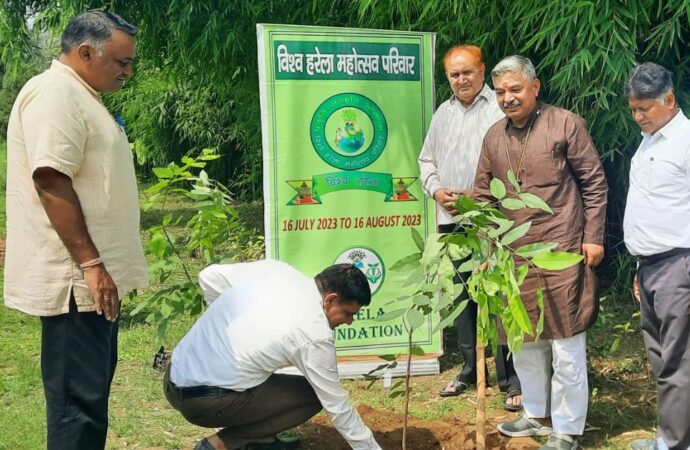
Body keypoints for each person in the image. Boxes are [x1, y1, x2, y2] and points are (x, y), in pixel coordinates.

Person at [3, 11, 147, 450]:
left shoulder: (82, 94)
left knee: (90, 397)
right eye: (121, 62)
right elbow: (51, 179)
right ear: (86, 52)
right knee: (76, 406)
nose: (128, 72)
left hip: (93, 284)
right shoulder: (55, 94)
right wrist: (91, 262)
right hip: (77, 283)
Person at [473, 55, 607, 450]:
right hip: (513, 254)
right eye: (500, 92)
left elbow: (594, 184)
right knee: (524, 339)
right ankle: (536, 414)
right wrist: (484, 246)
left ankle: (567, 428)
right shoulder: (494, 136)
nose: (507, 98)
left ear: (535, 86)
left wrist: (594, 236)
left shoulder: (566, 123)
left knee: (566, 343)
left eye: (515, 89)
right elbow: (483, 195)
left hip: (562, 247)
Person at [164, 260, 382, 450]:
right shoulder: (314, 334)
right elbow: (337, 406)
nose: (349, 321)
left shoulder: (277, 271)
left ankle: (262, 441)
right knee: (314, 396)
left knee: (267, 376)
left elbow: (208, 276)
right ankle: (220, 445)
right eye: (348, 313)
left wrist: (227, 330)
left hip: (173, 377)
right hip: (204, 403)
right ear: (331, 300)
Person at [418, 44, 522, 410]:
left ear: (482, 71)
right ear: (447, 78)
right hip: (452, 222)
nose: (461, 79)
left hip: (493, 222)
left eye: (468, 72)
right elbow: (426, 160)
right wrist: (436, 190)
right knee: (462, 298)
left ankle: (511, 378)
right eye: (454, 74)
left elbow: (514, 163)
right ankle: (468, 370)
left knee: (500, 297)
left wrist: (483, 199)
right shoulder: (442, 114)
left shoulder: (501, 107)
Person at [623, 62, 690, 450]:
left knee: (678, 361)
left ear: (669, 99)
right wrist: (639, 267)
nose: (637, 117)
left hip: (679, 265)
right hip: (650, 267)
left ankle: (673, 444)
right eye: (633, 109)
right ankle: (670, 435)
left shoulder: (685, 140)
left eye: (644, 108)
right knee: (661, 358)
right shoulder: (650, 139)